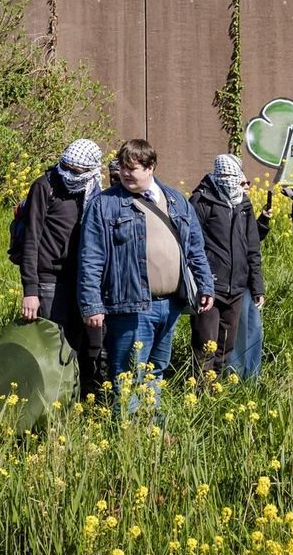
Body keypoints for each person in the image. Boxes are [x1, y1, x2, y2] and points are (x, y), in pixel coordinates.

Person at [77, 139, 214, 414]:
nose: (126, 174)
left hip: (170, 304)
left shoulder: (175, 200)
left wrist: (206, 285)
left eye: (133, 168)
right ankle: (128, 436)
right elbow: (90, 257)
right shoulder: (105, 205)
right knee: (128, 374)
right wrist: (91, 304)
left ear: (151, 167)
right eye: (123, 168)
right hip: (130, 305)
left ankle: (152, 432)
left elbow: (195, 248)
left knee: (156, 371)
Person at [17, 139, 105, 395]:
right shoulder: (45, 186)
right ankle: (51, 401)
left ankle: (77, 397)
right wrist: (30, 290)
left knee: (83, 344)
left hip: (83, 280)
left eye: (76, 171)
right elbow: (31, 239)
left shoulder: (93, 188)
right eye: (65, 166)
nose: (68, 174)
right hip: (48, 280)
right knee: (53, 345)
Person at [188, 154, 265, 377]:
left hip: (237, 288)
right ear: (217, 175)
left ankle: (217, 393)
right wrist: (203, 282)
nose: (231, 181)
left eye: (235, 176)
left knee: (226, 347)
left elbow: (252, 247)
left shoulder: (243, 203)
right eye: (225, 176)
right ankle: (200, 394)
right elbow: (193, 246)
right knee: (205, 345)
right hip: (210, 287)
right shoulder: (201, 201)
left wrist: (256, 286)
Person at [226, 196, 273, 381]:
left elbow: (249, 242)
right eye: (243, 182)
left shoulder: (244, 205)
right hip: (233, 281)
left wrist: (262, 221)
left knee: (254, 329)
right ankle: (233, 379)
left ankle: (252, 379)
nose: (247, 186)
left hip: (248, 280)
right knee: (239, 332)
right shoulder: (226, 204)